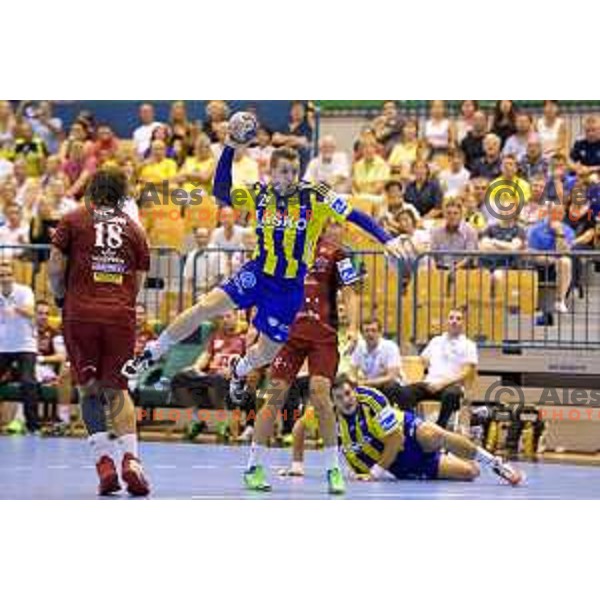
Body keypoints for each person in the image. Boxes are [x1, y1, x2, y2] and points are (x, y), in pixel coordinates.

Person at [131, 129, 407, 481]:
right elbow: (220, 192)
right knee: (205, 305)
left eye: (293, 173)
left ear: (299, 174)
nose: (288, 179)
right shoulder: (259, 194)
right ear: (271, 173)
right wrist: (230, 147)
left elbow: (355, 216)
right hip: (257, 273)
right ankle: (155, 349)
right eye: (282, 173)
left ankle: (240, 369)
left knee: (264, 355)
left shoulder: (315, 197)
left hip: (288, 292)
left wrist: (388, 239)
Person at [48, 167, 152, 497]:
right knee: (118, 389)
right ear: (121, 195)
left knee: (89, 388)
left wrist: (61, 295)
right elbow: (138, 282)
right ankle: (132, 461)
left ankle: (104, 463)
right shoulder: (135, 230)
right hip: (119, 316)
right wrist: (121, 303)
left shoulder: (73, 219)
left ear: (91, 190)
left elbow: (54, 265)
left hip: (80, 314)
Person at [249, 221, 361, 493]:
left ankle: (333, 470)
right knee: (274, 396)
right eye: (331, 223)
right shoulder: (285, 248)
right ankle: (254, 467)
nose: (337, 228)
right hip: (288, 336)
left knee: (320, 393)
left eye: (339, 223)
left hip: (323, 337)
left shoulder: (337, 254)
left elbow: (350, 292)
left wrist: (354, 326)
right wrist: (258, 321)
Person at [327, 375, 523, 485]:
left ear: (355, 390)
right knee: (471, 472)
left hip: (407, 434)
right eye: (339, 397)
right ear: (332, 401)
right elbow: (300, 427)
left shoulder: (371, 398)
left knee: (433, 434)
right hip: (399, 464)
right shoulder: (328, 418)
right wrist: (297, 466)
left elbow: (396, 439)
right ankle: (450, 449)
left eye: (348, 393)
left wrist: (375, 473)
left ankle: (495, 463)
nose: (346, 400)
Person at [394, 309, 478, 430]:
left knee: (451, 394)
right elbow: (423, 360)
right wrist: (422, 377)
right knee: (403, 392)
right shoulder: (436, 341)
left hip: (451, 386)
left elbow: (466, 371)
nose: (454, 321)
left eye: (458, 319)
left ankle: (440, 428)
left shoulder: (468, 345)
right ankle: (413, 426)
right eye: (451, 318)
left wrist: (442, 383)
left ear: (463, 323)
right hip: (430, 384)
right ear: (446, 321)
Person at [0, 260, 41, 434]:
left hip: (25, 346)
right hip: (3, 347)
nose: (5, 278)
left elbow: (32, 313)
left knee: (28, 381)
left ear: (13, 276)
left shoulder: (24, 291)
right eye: (1, 275)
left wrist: (14, 307)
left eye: (8, 275)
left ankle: (33, 426)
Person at [527, 204, 575, 316]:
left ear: (563, 215)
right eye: (554, 213)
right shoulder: (536, 229)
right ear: (549, 213)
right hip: (537, 263)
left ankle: (560, 301)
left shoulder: (568, 231)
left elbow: (563, 252)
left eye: (560, 213)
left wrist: (559, 233)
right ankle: (531, 303)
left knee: (566, 262)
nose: (557, 216)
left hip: (556, 265)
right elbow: (531, 253)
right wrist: (550, 258)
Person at [350, 318, 405, 406]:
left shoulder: (390, 347)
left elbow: (391, 377)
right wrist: (353, 381)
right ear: (362, 334)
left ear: (380, 332)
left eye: (373, 330)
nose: (370, 334)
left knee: (390, 387)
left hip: (389, 385)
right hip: (369, 385)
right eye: (366, 331)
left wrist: (366, 383)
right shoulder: (359, 347)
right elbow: (352, 373)